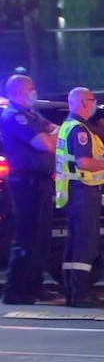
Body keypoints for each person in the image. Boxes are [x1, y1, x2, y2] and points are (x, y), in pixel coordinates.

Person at [55, 87, 104, 308]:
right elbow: (84, 163)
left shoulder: (68, 126)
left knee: (75, 245)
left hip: (74, 191)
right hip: (83, 191)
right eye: (93, 100)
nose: (95, 104)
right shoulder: (79, 130)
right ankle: (81, 294)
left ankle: (73, 292)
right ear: (84, 102)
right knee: (85, 244)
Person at [0, 75, 57, 305]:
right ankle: (15, 290)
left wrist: (52, 133)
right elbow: (45, 143)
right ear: (20, 92)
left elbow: (53, 129)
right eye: (31, 88)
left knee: (41, 236)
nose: (35, 92)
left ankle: (34, 285)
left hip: (41, 181)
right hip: (25, 182)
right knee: (26, 236)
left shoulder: (32, 115)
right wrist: (53, 136)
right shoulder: (15, 117)